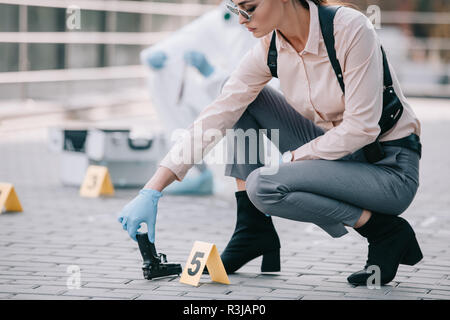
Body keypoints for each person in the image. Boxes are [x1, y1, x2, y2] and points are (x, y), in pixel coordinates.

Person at [119, 0, 423, 286]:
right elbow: (218, 114)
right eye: (235, 9)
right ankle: (253, 229)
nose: (241, 20)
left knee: (263, 185)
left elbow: (361, 128)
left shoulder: (350, 28)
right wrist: (152, 189)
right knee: (237, 97)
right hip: (338, 156)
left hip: (388, 169)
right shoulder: (271, 47)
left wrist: (289, 160)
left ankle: (383, 231)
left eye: (249, 8)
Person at [140, 0, 280, 195]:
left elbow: (264, 90)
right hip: (231, 98)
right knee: (162, 73)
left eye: (246, 9)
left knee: (241, 103)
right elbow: (178, 43)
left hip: (268, 118)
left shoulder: (271, 19)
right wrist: (154, 55)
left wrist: (212, 74)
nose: (241, 18)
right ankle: (196, 170)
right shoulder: (224, 17)